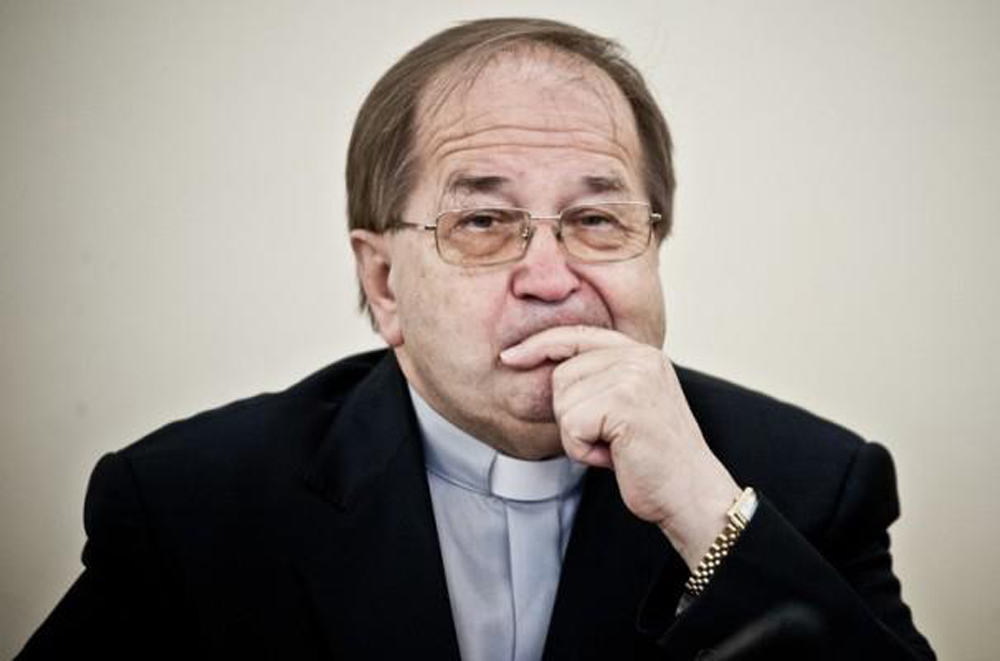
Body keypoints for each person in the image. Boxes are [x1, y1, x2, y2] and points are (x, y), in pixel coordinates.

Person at [18, 17, 934, 661]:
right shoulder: (195, 505)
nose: (551, 275)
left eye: (598, 220)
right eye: (485, 222)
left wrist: (705, 513)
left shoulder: (814, 484)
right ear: (385, 282)